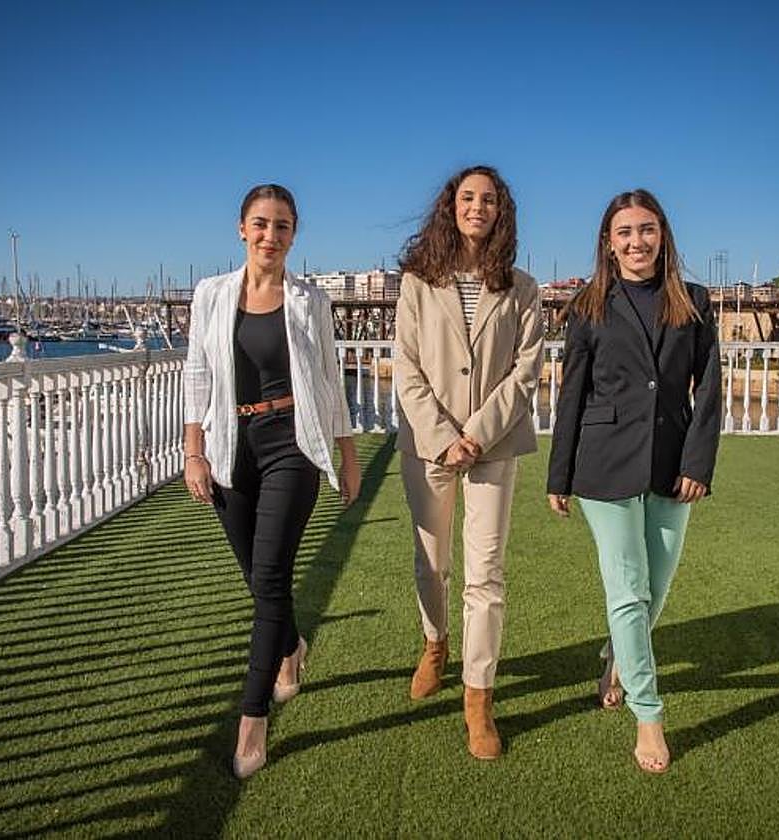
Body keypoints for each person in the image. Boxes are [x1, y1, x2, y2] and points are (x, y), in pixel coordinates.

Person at [182, 184, 361, 780]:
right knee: (260, 581)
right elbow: (198, 374)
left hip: (293, 444)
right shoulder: (211, 295)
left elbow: (330, 379)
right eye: (260, 223)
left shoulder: (310, 300)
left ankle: (252, 719)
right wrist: (194, 451)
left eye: (282, 226)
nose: (270, 235)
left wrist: (348, 455)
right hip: (232, 447)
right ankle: (291, 645)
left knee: (270, 578)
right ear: (242, 228)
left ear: (293, 234)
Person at [547, 189, 721, 774]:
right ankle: (649, 714)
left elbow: (709, 391)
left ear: (662, 235)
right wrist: (559, 474)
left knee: (657, 586)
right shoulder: (589, 305)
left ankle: (617, 657)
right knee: (628, 590)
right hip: (604, 465)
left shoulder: (693, 301)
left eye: (646, 229)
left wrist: (698, 464)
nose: (636, 241)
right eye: (624, 232)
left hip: (673, 465)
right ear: (608, 242)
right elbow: (572, 394)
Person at [394, 165, 545, 760]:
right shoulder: (417, 281)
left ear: (500, 210)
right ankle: (435, 644)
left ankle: (478, 698)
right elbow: (406, 366)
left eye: (488, 199)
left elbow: (526, 372)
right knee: (432, 564)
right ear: (450, 207)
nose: (477, 206)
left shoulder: (522, 287)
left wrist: (477, 436)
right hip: (429, 443)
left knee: (486, 574)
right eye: (467, 197)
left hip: (494, 445)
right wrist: (443, 436)